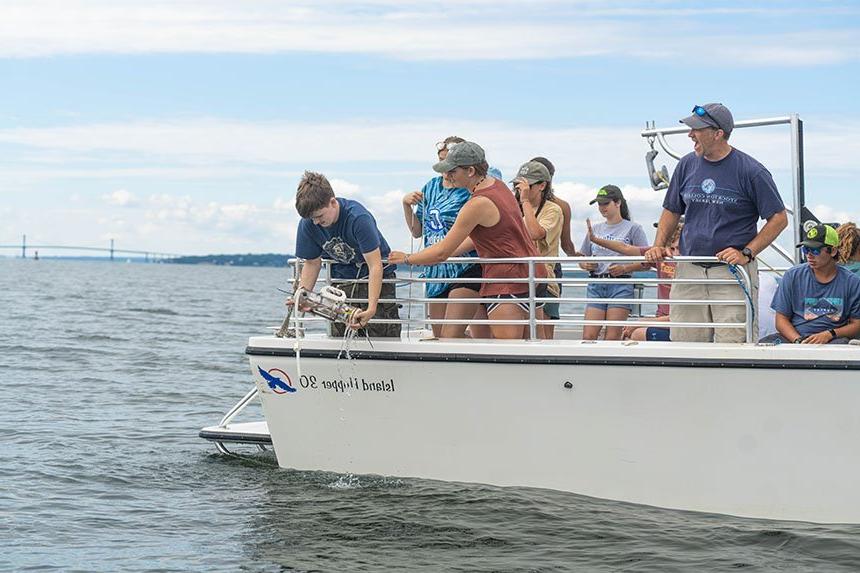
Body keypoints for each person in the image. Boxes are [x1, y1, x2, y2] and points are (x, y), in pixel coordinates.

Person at [645, 103, 788, 343]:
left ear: (718, 133)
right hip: (689, 270)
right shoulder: (686, 165)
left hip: (730, 273)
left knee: (733, 345)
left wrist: (747, 252)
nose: (690, 134)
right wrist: (658, 244)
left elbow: (779, 218)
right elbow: (671, 209)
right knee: (684, 344)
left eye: (697, 130)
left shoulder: (751, 170)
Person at [389, 141, 548, 340]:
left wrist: (407, 258)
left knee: (510, 353)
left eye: (452, 171)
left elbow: (442, 252)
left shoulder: (477, 203)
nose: (447, 176)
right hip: (532, 273)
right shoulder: (498, 186)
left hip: (507, 280)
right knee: (536, 346)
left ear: (471, 171)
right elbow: (469, 242)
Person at [401, 136, 490, 339]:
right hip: (436, 269)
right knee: (440, 336)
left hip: (465, 267)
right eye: (442, 161)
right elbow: (417, 231)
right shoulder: (431, 187)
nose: (445, 169)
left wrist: (445, 251)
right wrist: (406, 206)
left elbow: (479, 233)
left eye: (449, 163)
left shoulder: (470, 190)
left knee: (451, 334)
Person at [294, 171, 401, 337]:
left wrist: (371, 307)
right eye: (312, 219)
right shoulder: (308, 223)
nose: (316, 222)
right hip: (340, 283)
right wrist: (302, 296)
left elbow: (375, 266)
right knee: (339, 335)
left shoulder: (358, 218)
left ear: (333, 202)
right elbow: (312, 263)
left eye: (319, 216)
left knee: (380, 334)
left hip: (375, 280)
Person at [762, 224, 860, 344]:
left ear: (833, 251)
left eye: (815, 250)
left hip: (833, 340)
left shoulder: (852, 282)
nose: (809, 255)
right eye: (806, 249)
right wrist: (798, 340)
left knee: (841, 348)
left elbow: (856, 325)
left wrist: (830, 334)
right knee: (763, 344)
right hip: (795, 337)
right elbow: (781, 320)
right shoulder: (792, 276)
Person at [586, 219, 683, 341]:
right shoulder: (661, 256)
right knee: (628, 333)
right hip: (663, 320)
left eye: (679, 249)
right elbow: (626, 248)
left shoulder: (691, 267)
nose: (676, 254)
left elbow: (682, 316)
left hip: (677, 322)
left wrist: (641, 322)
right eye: (672, 249)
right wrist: (595, 239)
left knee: (635, 333)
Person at [579, 185, 648, 340]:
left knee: (612, 337)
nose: (602, 208)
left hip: (620, 285)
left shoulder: (633, 228)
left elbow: (646, 261)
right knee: (588, 336)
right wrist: (586, 265)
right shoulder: (595, 229)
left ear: (618, 203)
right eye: (600, 204)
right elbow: (582, 257)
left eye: (605, 203)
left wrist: (625, 268)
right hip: (596, 284)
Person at [513, 160, 563, 338]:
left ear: (542, 185)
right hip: (517, 279)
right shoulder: (513, 208)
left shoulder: (553, 210)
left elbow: (535, 233)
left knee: (543, 337)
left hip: (544, 281)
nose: (521, 190)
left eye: (528, 186)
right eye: (518, 186)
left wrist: (524, 201)